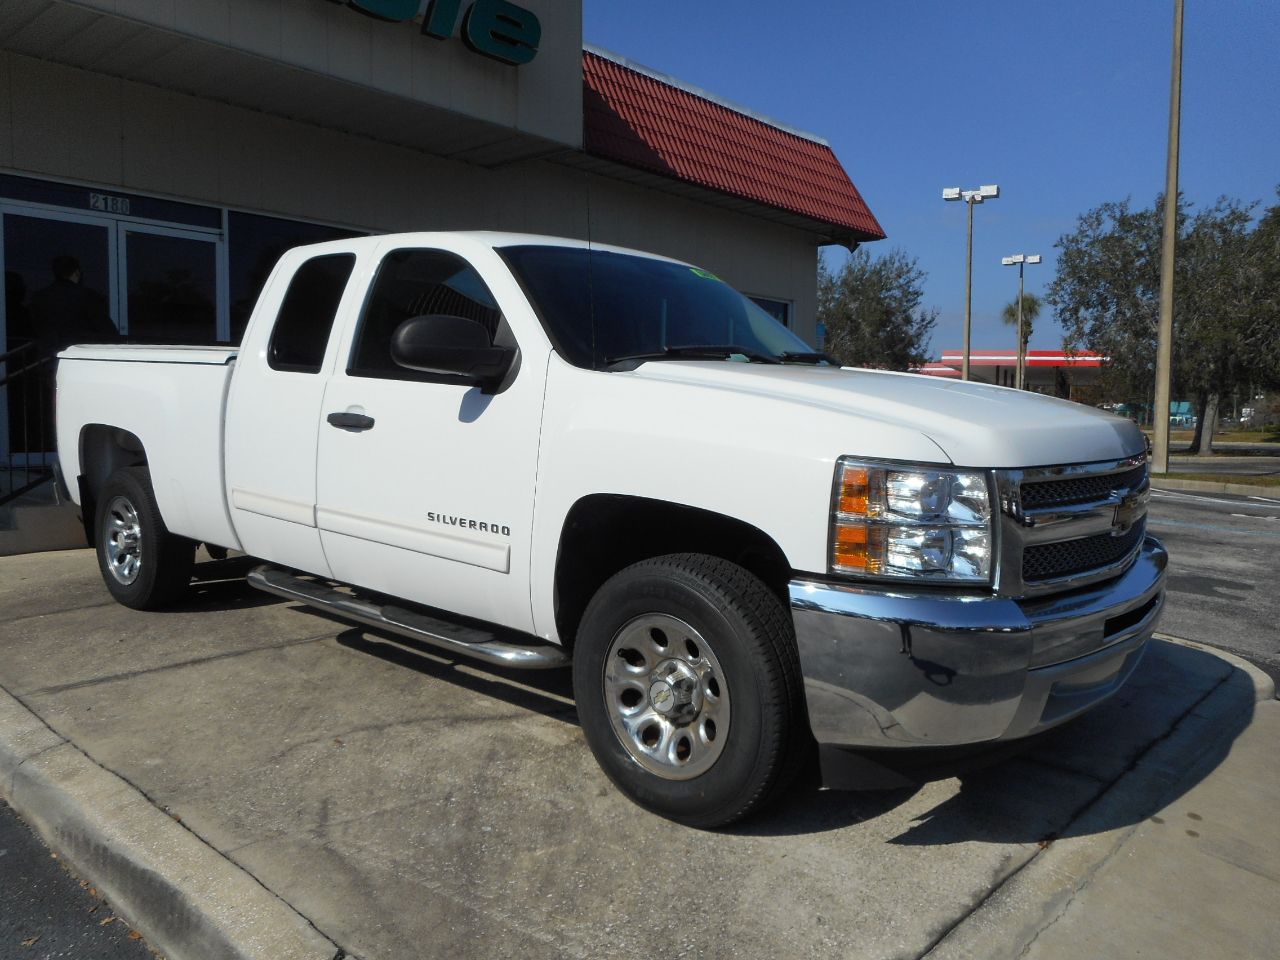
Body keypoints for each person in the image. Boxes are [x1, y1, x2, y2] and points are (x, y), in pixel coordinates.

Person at [28, 255, 119, 360]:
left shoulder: (40, 296)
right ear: (77, 272)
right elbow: (103, 325)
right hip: (80, 354)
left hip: (49, 354)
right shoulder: (87, 295)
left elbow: (36, 324)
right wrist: (116, 341)